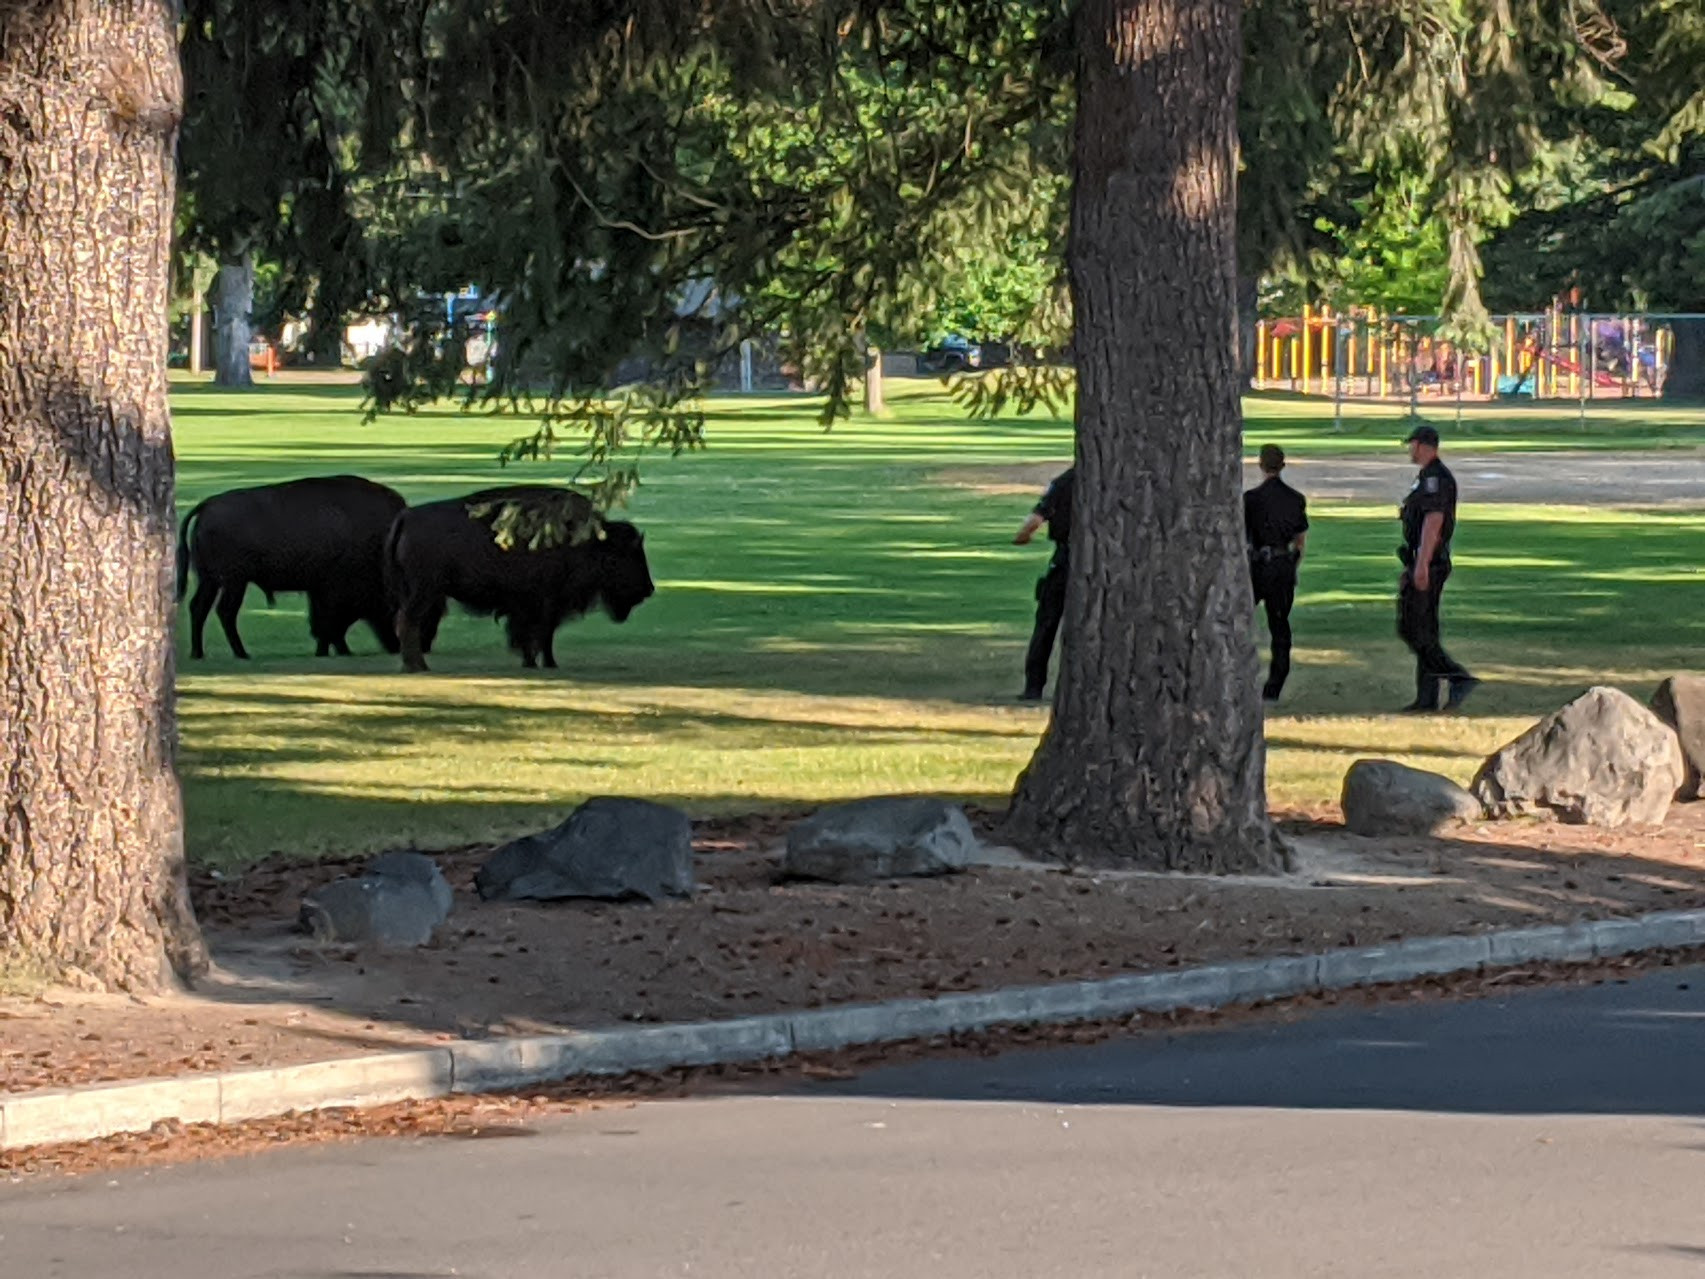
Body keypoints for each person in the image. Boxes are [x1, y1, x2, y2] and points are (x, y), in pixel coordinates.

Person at [1397, 424, 1479, 712]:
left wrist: (1421, 565)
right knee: (1425, 629)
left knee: (1411, 627)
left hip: (1429, 563)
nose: (1410, 450)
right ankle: (1426, 697)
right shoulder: (1425, 477)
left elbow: (1433, 522)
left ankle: (1458, 677)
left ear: (1424, 445)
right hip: (1422, 560)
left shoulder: (1435, 479)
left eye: (1413, 444)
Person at [1243, 444, 1308, 702]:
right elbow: (1300, 541)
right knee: (1279, 625)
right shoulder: (1295, 499)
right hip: (1282, 565)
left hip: (1258, 566)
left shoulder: (1251, 499)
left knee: (1241, 619)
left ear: (1261, 465)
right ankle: (1275, 684)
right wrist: (1292, 566)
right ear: (1282, 465)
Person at [1013, 466, 1074, 701]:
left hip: (1064, 559)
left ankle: (1034, 686)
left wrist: (1022, 537)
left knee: (1046, 624)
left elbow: (1036, 519)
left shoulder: (1063, 482)